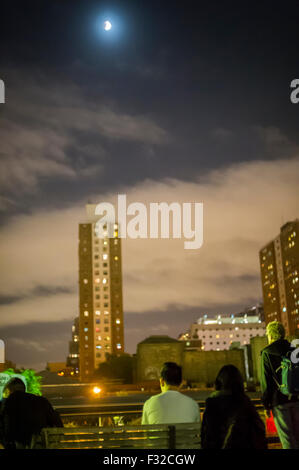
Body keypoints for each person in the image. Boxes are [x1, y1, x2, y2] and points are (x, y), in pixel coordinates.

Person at [201, 364, 267, 449]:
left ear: (218, 382)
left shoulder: (212, 404)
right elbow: (258, 432)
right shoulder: (245, 403)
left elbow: (206, 436)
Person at [260, 320, 299, 449]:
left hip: (279, 401)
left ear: (270, 335)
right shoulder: (294, 350)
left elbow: (266, 382)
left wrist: (266, 405)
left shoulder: (267, 353)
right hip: (297, 398)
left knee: (287, 439)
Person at [0, 377, 63, 449]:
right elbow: (58, 425)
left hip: (15, 444)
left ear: (9, 390)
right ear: (24, 389)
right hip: (39, 445)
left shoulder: (6, 403)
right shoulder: (42, 401)